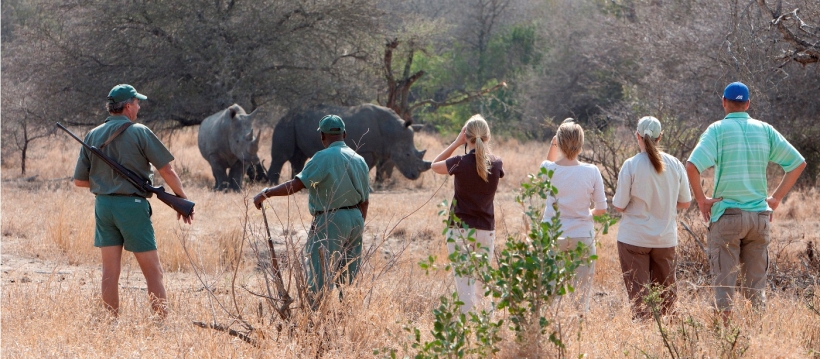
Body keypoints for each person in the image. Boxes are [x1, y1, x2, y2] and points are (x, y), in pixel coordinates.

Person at [686, 81, 806, 321]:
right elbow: (798, 163)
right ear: (748, 104)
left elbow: (692, 165)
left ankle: (725, 340)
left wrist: (702, 200)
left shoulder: (717, 130)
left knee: (724, 286)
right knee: (755, 289)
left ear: (724, 102)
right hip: (760, 218)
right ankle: (756, 337)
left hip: (727, 216)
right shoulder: (765, 129)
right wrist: (775, 199)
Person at [73, 84, 194, 318]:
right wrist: (182, 199)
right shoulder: (140, 131)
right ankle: (161, 322)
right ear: (128, 106)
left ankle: (110, 322)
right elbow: (167, 170)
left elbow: (79, 181)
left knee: (109, 271)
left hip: (104, 206)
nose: (139, 106)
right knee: (153, 271)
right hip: (132, 207)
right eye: (137, 102)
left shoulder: (92, 134)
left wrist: (106, 184)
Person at [253, 114, 370, 306]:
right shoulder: (359, 159)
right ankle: (348, 315)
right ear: (345, 134)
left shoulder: (322, 158)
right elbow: (365, 201)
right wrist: (357, 223)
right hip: (356, 219)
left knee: (320, 273)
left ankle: (315, 317)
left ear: (322, 136)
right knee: (349, 275)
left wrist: (267, 192)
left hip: (330, 219)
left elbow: (296, 185)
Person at [612, 116, 692, 319]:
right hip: (665, 239)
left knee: (640, 300)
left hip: (634, 239)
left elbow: (619, 206)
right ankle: (666, 341)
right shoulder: (675, 164)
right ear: (660, 137)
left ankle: (644, 336)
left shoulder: (631, 165)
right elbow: (685, 203)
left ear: (637, 136)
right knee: (667, 300)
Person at [431, 114, 504, 313]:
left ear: (466, 136)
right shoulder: (497, 164)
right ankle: (484, 329)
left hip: (460, 229)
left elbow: (434, 165)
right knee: (482, 284)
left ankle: (465, 329)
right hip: (485, 230)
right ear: (487, 137)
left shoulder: (459, 162)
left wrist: (456, 143)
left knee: (464, 287)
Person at [541, 118, 607, 313]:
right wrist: (585, 214)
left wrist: (553, 143)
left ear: (559, 142)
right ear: (581, 144)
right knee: (581, 297)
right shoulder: (592, 171)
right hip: (582, 236)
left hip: (553, 236)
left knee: (551, 295)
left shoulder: (548, 169)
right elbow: (602, 209)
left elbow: (549, 161)